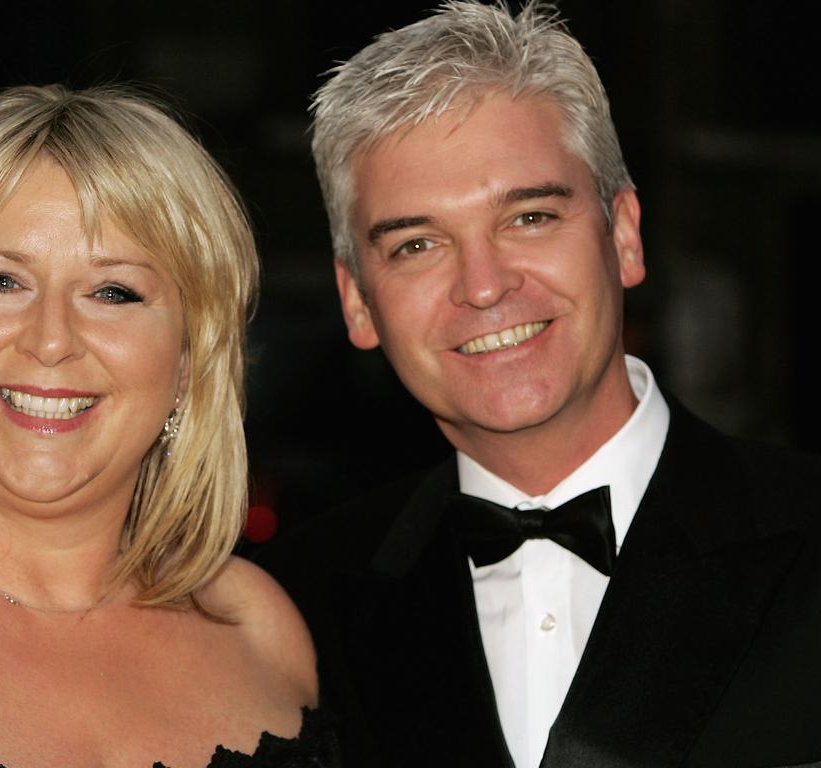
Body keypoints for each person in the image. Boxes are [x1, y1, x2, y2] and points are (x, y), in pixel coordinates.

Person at [257, 3, 821, 767]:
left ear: (623, 235)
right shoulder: (285, 611)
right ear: (358, 300)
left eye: (528, 217)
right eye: (417, 244)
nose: (483, 287)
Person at [0, 85, 339, 768]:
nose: (51, 340)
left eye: (113, 292)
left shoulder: (261, 632)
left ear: (188, 359)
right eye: (0, 280)